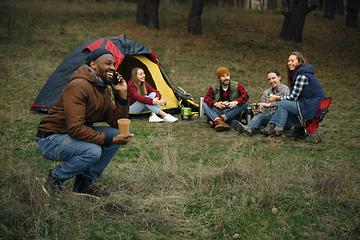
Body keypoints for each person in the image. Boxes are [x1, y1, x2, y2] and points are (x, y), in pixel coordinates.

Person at [36, 48, 134, 199]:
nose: (113, 68)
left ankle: (83, 183)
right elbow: (75, 128)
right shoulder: (78, 86)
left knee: (116, 133)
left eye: (114, 64)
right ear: (93, 65)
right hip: (50, 139)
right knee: (93, 151)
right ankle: (55, 179)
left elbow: (116, 123)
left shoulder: (103, 89)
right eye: (108, 63)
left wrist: (122, 94)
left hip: (72, 134)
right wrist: (109, 140)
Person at [261, 52, 326, 142]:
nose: (289, 63)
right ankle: (299, 130)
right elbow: (293, 95)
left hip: (312, 106)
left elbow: (293, 97)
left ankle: (277, 134)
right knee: (286, 105)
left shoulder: (302, 75)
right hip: (310, 104)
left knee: (283, 104)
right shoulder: (298, 74)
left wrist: (277, 98)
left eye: (292, 61)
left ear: (299, 61)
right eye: (288, 61)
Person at [231, 69, 292, 136]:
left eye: (273, 78)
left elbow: (287, 104)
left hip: (285, 120)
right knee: (259, 116)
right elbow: (264, 111)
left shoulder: (286, 90)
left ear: (279, 77)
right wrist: (258, 110)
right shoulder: (267, 92)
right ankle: (248, 129)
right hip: (271, 118)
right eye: (269, 79)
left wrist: (269, 104)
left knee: (282, 108)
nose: (271, 81)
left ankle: (268, 129)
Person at [203, 67, 249, 132]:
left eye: (227, 75)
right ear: (219, 78)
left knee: (245, 103)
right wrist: (216, 104)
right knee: (205, 105)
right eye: (223, 76)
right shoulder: (214, 87)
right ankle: (219, 121)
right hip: (219, 111)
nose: (226, 78)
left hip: (231, 112)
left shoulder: (236, 85)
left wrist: (236, 102)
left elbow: (245, 95)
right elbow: (206, 98)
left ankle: (218, 120)